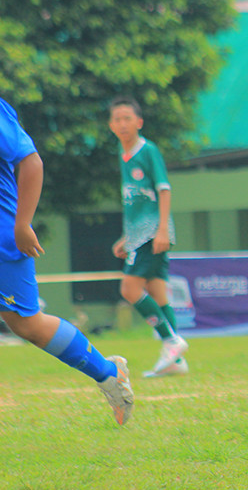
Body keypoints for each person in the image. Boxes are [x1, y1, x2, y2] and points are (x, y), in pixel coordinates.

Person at [0, 95, 134, 424]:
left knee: (26, 324)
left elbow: (31, 161)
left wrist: (22, 224)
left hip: (3, 235)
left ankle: (108, 372)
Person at [108, 96, 189, 378]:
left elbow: (163, 190)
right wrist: (125, 236)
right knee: (157, 292)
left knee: (129, 289)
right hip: (138, 234)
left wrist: (163, 229)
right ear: (111, 125)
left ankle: (171, 341)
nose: (122, 124)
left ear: (139, 122)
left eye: (127, 118)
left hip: (152, 233)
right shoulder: (122, 152)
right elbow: (135, 200)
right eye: (116, 119)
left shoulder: (148, 150)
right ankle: (176, 363)